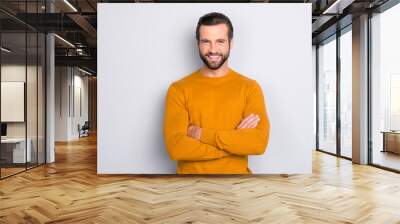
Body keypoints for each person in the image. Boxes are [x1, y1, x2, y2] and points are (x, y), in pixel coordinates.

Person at [163, 12, 270, 174]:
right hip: (189, 188)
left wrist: (201, 134)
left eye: (220, 41)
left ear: (230, 43)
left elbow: (258, 143)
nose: (213, 50)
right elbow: (177, 148)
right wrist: (233, 144)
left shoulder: (250, 87)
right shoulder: (178, 89)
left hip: (238, 186)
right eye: (206, 41)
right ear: (198, 44)